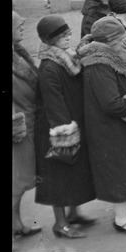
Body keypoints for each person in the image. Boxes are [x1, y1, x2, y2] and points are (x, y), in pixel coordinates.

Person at [77, 16, 126, 234]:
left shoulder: (104, 58)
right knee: (119, 172)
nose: (125, 41)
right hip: (108, 128)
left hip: (113, 127)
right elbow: (110, 103)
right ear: (112, 41)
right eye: (121, 38)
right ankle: (122, 219)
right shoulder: (100, 64)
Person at [34, 14, 96, 239]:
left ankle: (73, 213)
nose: (68, 37)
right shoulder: (50, 68)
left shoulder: (66, 58)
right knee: (58, 176)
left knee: (71, 173)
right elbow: (54, 105)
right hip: (57, 130)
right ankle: (60, 224)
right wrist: (65, 135)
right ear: (50, 40)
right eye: (62, 35)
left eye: (68, 32)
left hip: (69, 122)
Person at [12, 12, 41, 239]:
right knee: (17, 180)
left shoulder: (17, 52)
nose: (23, 25)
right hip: (17, 128)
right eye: (17, 23)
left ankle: (15, 223)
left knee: (21, 179)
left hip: (28, 124)